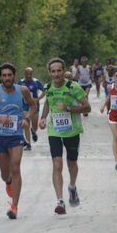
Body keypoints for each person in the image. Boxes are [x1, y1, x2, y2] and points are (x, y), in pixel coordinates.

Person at [0, 63, 36, 219]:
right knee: (5, 175)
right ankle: (8, 181)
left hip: (16, 135)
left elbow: (32, 105)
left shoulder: (22, 90)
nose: (7, 78)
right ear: (0, 77)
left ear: (14, 76)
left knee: (16, 166)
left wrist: (27, 119)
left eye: (9, 75)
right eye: (3, 75)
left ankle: (14, 206)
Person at [39, 58, 91, 215]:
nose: (56, 74)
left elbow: (87, 107)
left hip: (72, 131)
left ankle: (72, 187)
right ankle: (60, 201)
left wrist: (68, 108)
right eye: (53, 71)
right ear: (49, 72)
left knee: (71, 164)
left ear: (63, 71)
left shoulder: (73, 87)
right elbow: (48, 103)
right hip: (54, 131)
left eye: (59, 71)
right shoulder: (47, 87)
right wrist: (43, 117)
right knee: (57, 163)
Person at [18, 67, 45, 150]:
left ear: (32, 74)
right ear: (24, 73)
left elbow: (45, 90)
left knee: (34, 125)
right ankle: (28, 144)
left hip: (34, 105)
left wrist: (38, 99)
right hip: (25, 106)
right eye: (27, 73)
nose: (29, 75)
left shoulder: (36, 82)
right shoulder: (21, 82)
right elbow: (16, 92)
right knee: (26, 123)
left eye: (30, 73)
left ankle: (33, 132)